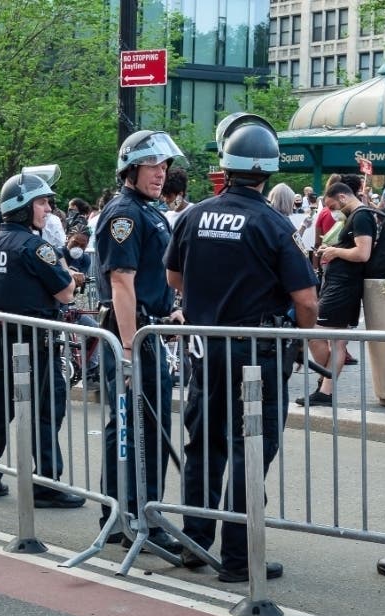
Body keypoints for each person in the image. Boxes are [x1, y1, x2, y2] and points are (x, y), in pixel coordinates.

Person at [165, 113, 320, 582]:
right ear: (268, 170)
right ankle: (238, 558)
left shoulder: (192, 215)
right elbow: (307, 299)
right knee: (252, 447)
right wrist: (299, 337)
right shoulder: (273, 224)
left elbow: (174, 277)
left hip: (205, 347)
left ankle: (195, 542)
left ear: (225, 166)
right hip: (257, 352)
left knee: (204, 444)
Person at [95, 129, 186, 554]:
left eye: (165, 166)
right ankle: (127, 515)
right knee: (134, 427)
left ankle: (136, 512)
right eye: (153, 166)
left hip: (149, 331)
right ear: (131, 169)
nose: (161, 173)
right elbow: (122, 283)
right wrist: (129, 349)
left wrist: (169, 312)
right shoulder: (125, 214)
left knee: (147, 426)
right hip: (133, 335)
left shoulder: (148, 211)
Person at [0, 171, 84, 509]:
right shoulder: (36, 246)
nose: (48, 208)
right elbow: (65, 292)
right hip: (38, 343)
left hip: (6, 340)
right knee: (47, 410)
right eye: (41, 202)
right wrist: (68, 273)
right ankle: (46, 484)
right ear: (22, 207)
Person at [300, 181, 376, 407]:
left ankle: (325, 380)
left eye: (333, 205)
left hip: (342, 287)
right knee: (338, 342)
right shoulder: (358, 215)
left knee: (313, 331)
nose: (333, 210)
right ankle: (325, 390)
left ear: (343, 197)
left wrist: (334, 251)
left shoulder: (360, 216)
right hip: (343, 286)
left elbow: (363, 253)